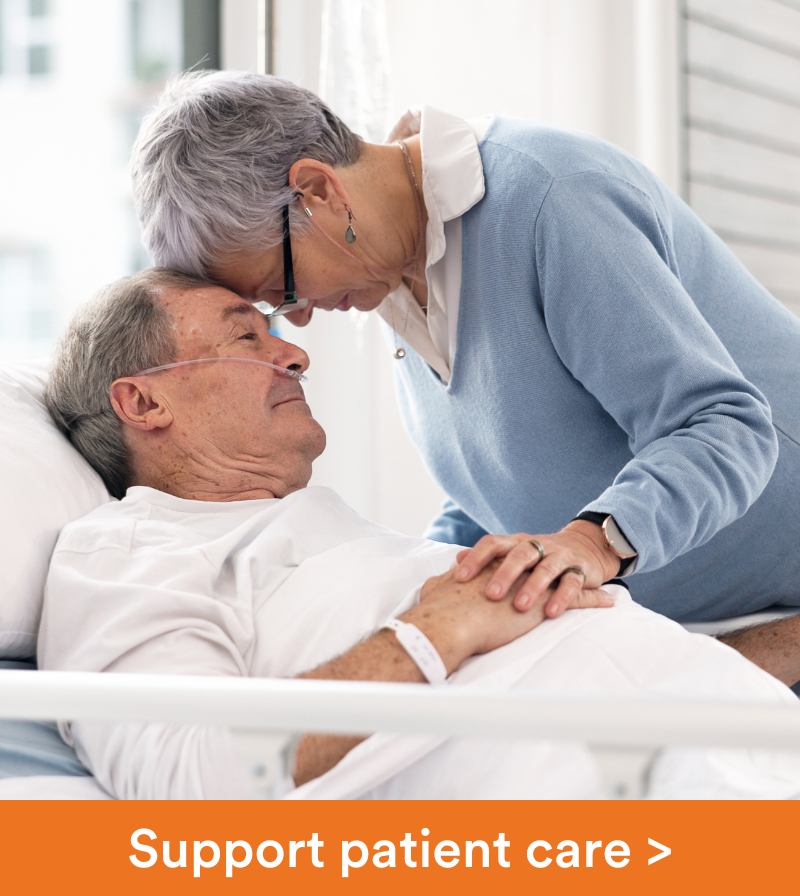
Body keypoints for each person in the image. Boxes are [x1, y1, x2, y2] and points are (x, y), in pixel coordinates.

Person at [38, 269, 800, 800]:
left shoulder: (343, 543)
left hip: (745, 750)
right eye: (248, 338)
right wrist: (437, 628)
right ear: (142, 402)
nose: (295, 352)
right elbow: (186, 781)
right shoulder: (128, 554)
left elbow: (572, 670)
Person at [130, 71, 800, 631]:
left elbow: (726, 428)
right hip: (700, 624)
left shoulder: (550, 200)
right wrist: (411, 583)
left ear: (317, 191)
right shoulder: (391, 277)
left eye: (283, 289)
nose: (299, 319)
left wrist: (592, 541)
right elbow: (506, 492)